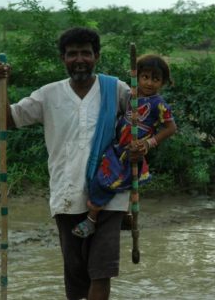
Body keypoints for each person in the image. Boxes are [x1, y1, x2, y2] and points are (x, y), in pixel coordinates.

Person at [0, 27, 145, 300]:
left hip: (110, 194)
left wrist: (140, 146)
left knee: (101, 271)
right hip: (66, 195)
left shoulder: (116, 89)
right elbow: (6, 120)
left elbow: (143, 120)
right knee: (75, 276)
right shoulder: (48, 95)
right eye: (72, 54)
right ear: (63, 58)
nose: (79, 59)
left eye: (86, 53)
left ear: (96, 56)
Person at [72, 54, 177, 238]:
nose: (149, 83)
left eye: (155, 79)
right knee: (111, 179)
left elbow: (171, 128)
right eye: (145, 77)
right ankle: (125, 215)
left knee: (107, 181)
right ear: (137, 77)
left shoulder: (158, 104)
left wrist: (148, 143)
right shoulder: (130, 95)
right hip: (117, 147)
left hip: (132, 152)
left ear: (163, 82)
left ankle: (91, 220)